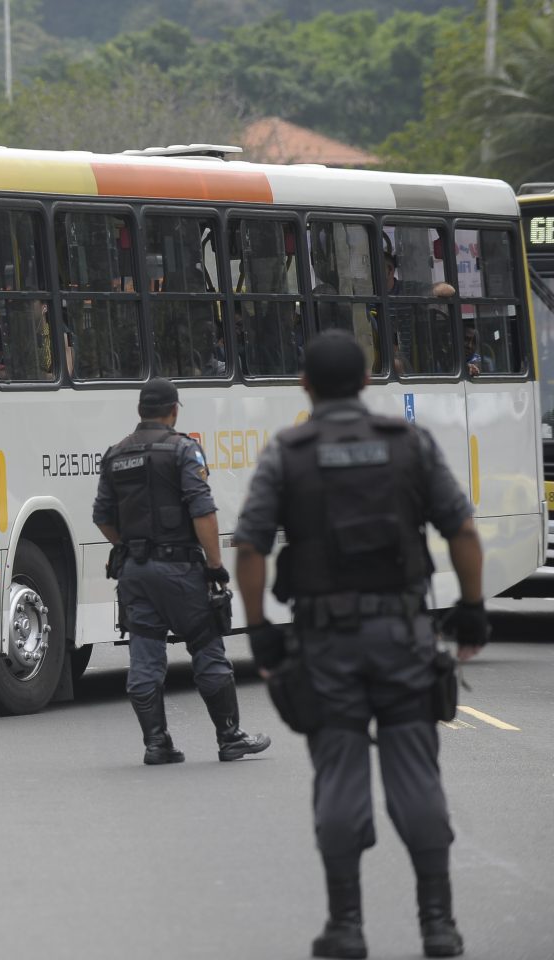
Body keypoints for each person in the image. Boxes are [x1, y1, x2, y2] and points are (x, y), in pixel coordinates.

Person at [232, 330, 489, 959]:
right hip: (403, 637)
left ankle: (346, 926)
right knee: (416, 773)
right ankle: (438, 923)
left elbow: (251, 547)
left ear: (305, 386)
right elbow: (462, 530)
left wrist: (261, 631)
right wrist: (474, 612)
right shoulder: (409, 446)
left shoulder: (287, 454)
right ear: (369, 382)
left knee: (340, 774)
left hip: (327, 647)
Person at [93, 377, 271, 765]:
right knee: (206, 645)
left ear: (140, 411)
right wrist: (215, 565)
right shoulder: (183, 451)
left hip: (134, 572)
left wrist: (129, 545)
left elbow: (101, 516)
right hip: (179, 570)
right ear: (173, 411)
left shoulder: (115, 455)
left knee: (144, 652)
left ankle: (157, 743)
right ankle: (230, 737)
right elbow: (202, 510)